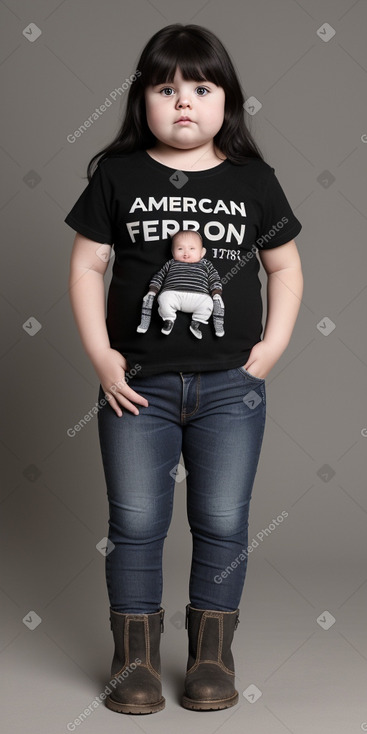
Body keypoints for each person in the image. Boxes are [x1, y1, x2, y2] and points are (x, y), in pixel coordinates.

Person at [65, 23, 303, 716]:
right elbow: (87, 264)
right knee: (137, 520)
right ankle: (134, 658)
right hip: (135, 387)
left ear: (227, 100)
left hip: (232, 387)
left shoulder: (252, 180)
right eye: (165, 89)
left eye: (200, 88)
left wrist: (273, 345)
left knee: (223, 519)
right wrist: (101, 355)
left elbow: (282, 265)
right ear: (141, 99)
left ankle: (210, 655)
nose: (183, 104)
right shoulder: (119, 175)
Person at [137, 229, 225, 338]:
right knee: (164, 299)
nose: (186, 253)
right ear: (173, 252)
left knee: (208, 304)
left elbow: (214, 278)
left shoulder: (206, 264)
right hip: (173, 293)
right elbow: (159, 276)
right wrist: (153, 290)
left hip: (199, 297)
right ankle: (169, 320)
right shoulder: (171, 263)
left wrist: (216, 292)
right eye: (180, 249)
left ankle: (196, 323)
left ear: (202, 252)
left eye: (192, 249)